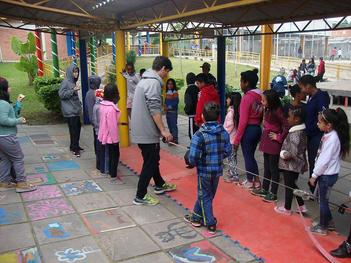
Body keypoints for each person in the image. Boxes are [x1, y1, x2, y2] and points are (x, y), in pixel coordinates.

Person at [131, 56, 176, 206]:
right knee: (150, 163)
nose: (166, 75)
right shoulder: (153, 83)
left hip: (142, 129)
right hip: (146, 132)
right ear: (163, 68)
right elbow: (154, 109)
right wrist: (163, 131)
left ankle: (159, 184)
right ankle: (140, 195)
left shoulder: (145, 80)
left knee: (153, 159)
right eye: (167, 71)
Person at [184, 102, 231, 234]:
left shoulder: (199, 135)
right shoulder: (224, 133)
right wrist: (218, 155)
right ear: (217, 117)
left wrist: (195, 160)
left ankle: (210, 223)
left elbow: (192, 158)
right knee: (208, 195)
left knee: (205, 195)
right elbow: (228, 151)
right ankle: (195, 217)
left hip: (204, 171)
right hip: (217, 170)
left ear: (203, 116)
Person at [309, 108, 350, 235]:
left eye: (320, 122)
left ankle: (323, 227)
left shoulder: (332, 139)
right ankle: (329, 222)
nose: (317, 124)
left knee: (323, 202)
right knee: (322, 200)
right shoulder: (329, 135)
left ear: (329, 125)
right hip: (327, 174)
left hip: (326, 176)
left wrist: (314, 175)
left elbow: (324, 160)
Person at [0, 77, 36, 193]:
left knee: (5, 159)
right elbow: (4, 120)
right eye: (8, 86)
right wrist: (19, 120)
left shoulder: (4, 103)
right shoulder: (3, 104)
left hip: (2, 138)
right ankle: (21, 183)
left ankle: (4, 182)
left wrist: (18, 104)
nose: (10, 88)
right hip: (7, 137)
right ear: (3, 89)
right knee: (18, 158)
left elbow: (11, 115)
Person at [252, 90, 289, 202]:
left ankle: (273, 193)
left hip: (273, 144)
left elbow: (286, 126)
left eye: (263, 100)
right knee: (267, 167)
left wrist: (279, 137)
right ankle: (265, 189)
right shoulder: (268, 109)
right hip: (267, 141)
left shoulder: (278, 111)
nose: (261, 102)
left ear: (271, 101)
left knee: (274, 169)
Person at [274, 108, 308, 215]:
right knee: (292, 185)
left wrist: (283, 154)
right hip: (295, 165)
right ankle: (301, 205)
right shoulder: (299, 132)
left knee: (289, 186)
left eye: (289, 116)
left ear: (297, 119)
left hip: (290, 165)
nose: (287, 118)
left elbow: (293, 152)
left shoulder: (295, 134)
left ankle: (287, 208)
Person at [299, 75, 330, 193]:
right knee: (312, 160)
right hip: (311, 135)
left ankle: (315, 190)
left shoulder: (321, 97)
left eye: (302, 87)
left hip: (317, 136)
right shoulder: (311, 97)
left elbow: (322, 117)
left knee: (315, 162)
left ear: (308, 86)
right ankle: (313, 189)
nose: (301, 90)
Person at [234, 69, 263, 189]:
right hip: (257, 129)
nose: (240, 85)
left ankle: (250, 181)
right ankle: (256, 181)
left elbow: (243, 121)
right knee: (251, 156)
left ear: (246, 83)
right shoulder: (260, 95)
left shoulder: (247, 97)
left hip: (248, 130)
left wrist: (236, 140)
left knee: (248, 156)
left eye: (241, 82)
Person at [59, 63, 83, 157]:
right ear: (70, 72)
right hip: (70, 111)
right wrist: (73, 90)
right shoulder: (66, 82)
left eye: (77, 72)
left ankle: (75, 146)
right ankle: (74, 148)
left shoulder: (73, 82)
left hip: (75, 110)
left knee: (78, 128)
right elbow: (61, 95)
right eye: (74, 72)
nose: (76, 74)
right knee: (74, 130)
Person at [98, 84, 121, 181]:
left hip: (103, 134)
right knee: (114, 155)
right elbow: (112, 127)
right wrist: (115, 140)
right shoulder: (111, 109)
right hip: (110, 137)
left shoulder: (102, 105)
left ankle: (106, 170)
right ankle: (113, 174)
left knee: (106, 154)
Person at [223, 92, 241, 183]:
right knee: (232, 157)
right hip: (233, 140)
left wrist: (222, 133)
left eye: (228, 98)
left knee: (231, 158)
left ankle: (234, 175)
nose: (226, 100)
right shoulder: (236, 111)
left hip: (230, 140)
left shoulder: (231, 113)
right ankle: (231, 172)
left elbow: (228, 127)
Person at [85, 75, 102, 159]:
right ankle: (98, 156)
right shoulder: (91, 94)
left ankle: (98, 155)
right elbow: (90, 108)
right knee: (97, 139)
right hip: (96, 121)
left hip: (96, 120)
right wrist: (93, 120)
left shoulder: (94, 92)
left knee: (97, 139)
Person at [91, 88, 107, 174]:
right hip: (100, 132)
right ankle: (102, 167)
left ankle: (99, 165)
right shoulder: (100, 107)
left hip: (97, 131)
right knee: (102, 150)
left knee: (99, 149)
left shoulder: (95, 106)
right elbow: (100, 121)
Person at [184, 72, 199, 139]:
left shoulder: (188, 90)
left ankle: (194, 147)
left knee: (192, 133)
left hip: (192, 115)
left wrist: (186, 110)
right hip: (198, 114)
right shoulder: (197, 88)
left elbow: (189, 103)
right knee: (198, 131)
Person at [164, 78, 179, 144]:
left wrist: (168, 107)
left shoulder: (175, 92)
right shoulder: (167, 92)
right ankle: (171, 138)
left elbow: (175, 102)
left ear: (173, 85)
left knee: (173, 126)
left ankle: (175, 139)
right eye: (168, 84)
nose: (169, 85)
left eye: (171, 84)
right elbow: (166, 102)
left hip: (173, 112)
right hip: (168, 112)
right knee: (170, 125)